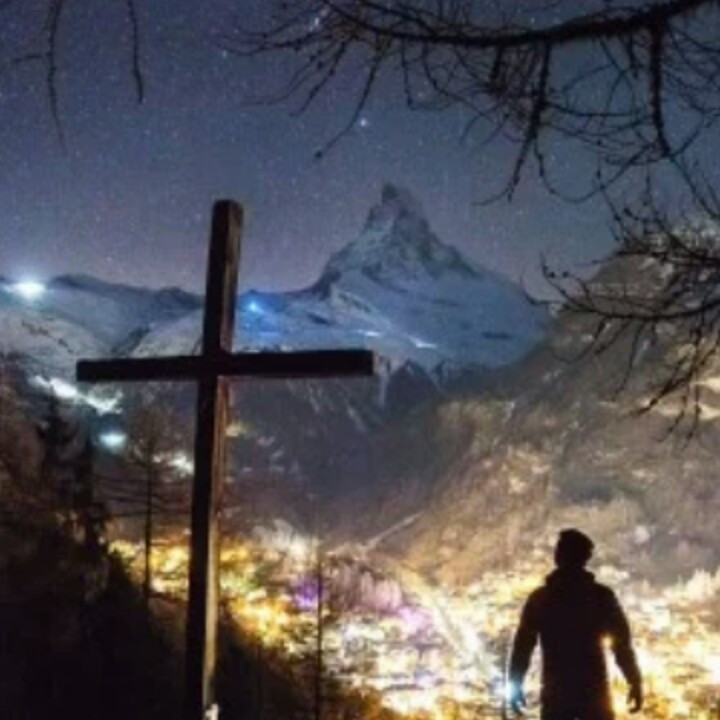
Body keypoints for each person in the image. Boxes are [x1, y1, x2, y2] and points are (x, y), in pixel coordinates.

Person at [508, 529, 642, 719]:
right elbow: (621, 645)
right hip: (594, 692)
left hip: (557, 694)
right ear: (585, 558)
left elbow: (523, 646)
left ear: (559, 555)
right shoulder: (600, 597)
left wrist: (516, 682)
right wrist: (634, 680)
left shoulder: (541, 599)